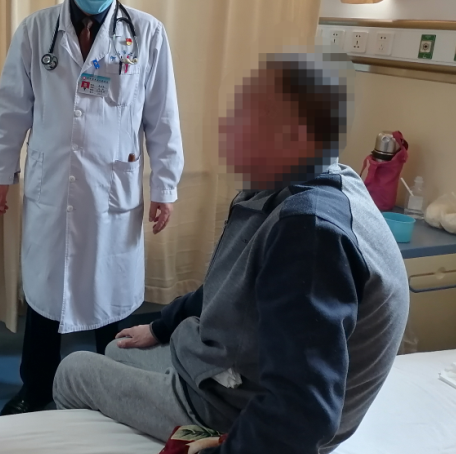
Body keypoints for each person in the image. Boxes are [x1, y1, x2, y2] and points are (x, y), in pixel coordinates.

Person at [53, 53, 410, 454]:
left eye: (244, 116)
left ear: (293, 136)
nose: (227, 128)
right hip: (227, 369)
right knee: (115, 349)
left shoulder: (308, 231)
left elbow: (301, 410)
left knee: (72, 371)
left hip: (231, 406)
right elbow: (228, 285)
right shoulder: (312, 181)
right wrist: (161, 327)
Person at [0, 0, 185, 416]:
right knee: (45, 296)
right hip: (52, 186)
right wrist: (0, 173)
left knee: (111, 299)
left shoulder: (146, 34)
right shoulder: (36, 31)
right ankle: (35, 389)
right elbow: (12, 111)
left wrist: (165, 186)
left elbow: (162, 118)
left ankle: (107, 391)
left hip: (112, 189)